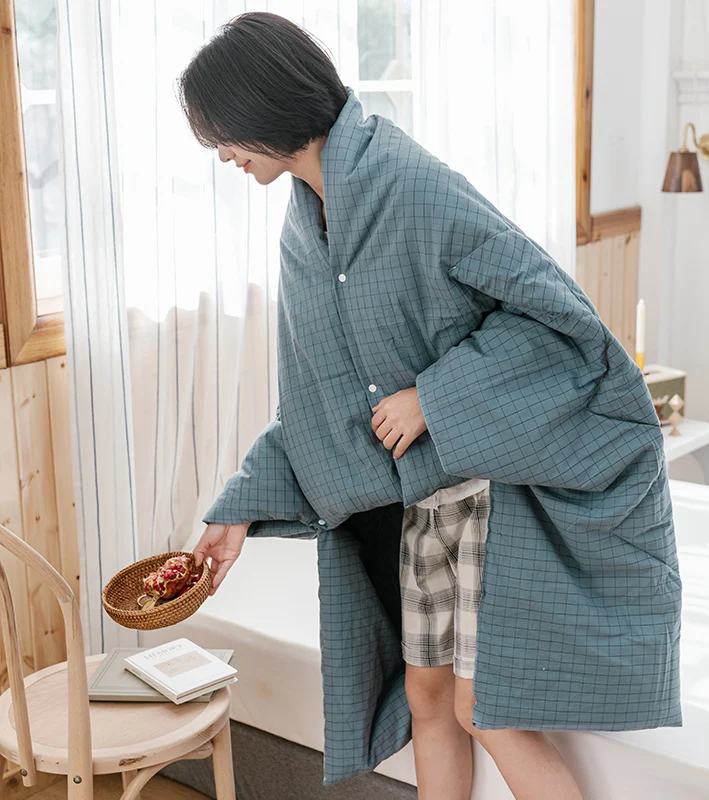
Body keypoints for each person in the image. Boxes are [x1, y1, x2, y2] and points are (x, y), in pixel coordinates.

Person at [184, 11, 680, 800]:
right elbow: (319, 400)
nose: (222, 155)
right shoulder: (304, 227)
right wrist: (237, 510)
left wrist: (434, 397)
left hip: (493, 497)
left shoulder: (413, 186)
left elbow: (561, 321)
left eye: (223, 135)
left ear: (263, 107)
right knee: (426, 699)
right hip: (425, 506)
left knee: (491, 710)